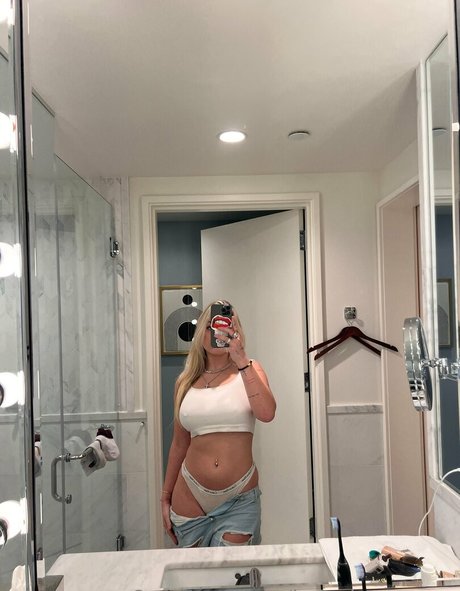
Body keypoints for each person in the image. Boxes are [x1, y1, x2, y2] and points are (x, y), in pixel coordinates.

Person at [161, 300, 276, 547]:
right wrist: (165, 496)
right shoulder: (184, 382)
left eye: (226, 325)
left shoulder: (251, 369)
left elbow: (267, 413)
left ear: (236, 331)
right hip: (188, 496)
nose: (217, 332)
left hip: (239, 499)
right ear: (200, 334)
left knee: (234, 570)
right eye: (210, 326)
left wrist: (241, 360)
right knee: (193, 572)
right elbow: (179, 445)